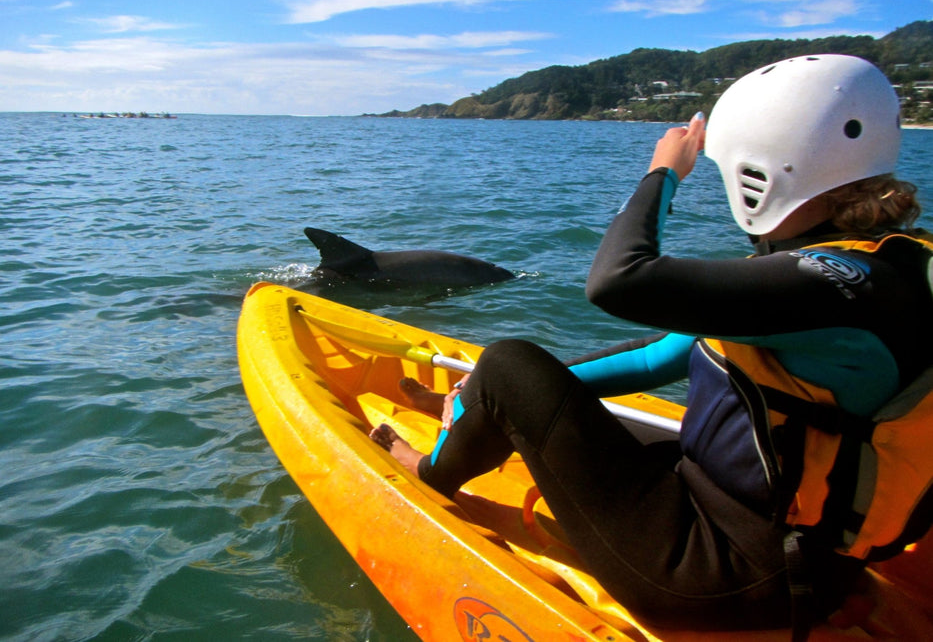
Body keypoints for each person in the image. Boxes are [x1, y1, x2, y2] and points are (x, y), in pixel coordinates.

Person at [370, 54, 931, 632]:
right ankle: (482, 411)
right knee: (508, 377)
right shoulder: (881, 269)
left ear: (760, 173)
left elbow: (617, 280)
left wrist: (662, 173)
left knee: (506, 357)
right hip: (794, 559)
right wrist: (498, 397)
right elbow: (656, 356)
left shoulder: (835, 288)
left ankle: (432, 473)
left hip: (729, 576)